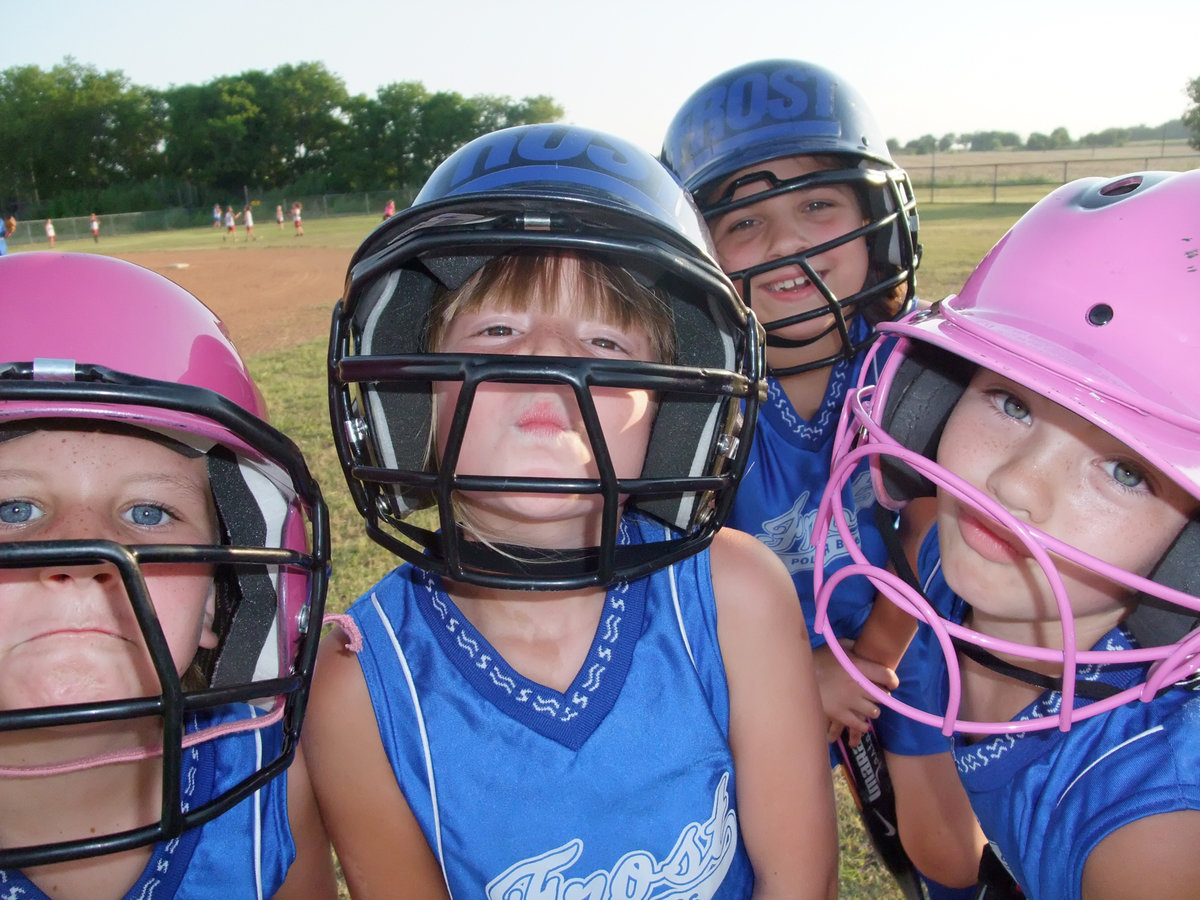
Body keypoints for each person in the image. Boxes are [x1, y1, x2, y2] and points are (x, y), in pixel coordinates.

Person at [306, 122, 839, 898]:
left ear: (673, 412)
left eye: (605, 344)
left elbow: (800, 883)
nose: (546, 363)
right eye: (498, 329)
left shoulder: (733, 596)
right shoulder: (357, 683)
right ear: (411, 395)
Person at [812, 169, 1200, 900]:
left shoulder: (1153, 837)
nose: (1016, 484)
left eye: (1124, 471)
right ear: (932, 400)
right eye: (1010, 403)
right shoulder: (952, 574)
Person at [662, 59, 957, 898]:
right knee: (771, 855)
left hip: (900, 627)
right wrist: (796, 679)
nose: (788, 243)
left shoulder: (910, 367)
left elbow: (933, 525)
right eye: (745, 222)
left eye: (818, 205)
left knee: (939, 844)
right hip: (746, 659)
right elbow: (680, 576)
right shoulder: (689, 403)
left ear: (876, 219)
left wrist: (863, 662)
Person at [0, 252, 337, 899]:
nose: (82, 555)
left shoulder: (266, 787)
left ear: (220, 600)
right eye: (14, 509)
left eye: (148, 512)